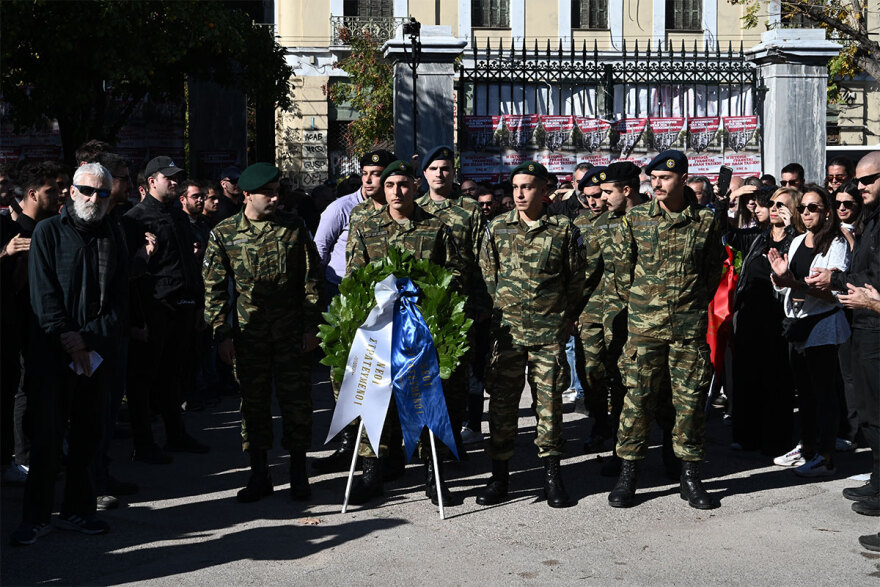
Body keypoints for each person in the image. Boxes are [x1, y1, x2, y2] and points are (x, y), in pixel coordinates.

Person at [10, 163, 127, 546]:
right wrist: (69, 338)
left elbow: (119, 299)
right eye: (87, 191)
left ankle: (79, 511)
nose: (95, 199)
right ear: (72, 192)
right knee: (46, 440)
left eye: (103, 192)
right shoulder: (47, 232)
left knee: (88, 437)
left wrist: (89, 339)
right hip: (51, 353)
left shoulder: (112, 234)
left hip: (94, 355)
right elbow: (43, 295)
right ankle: (36, 518)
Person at [609, 150, 725, 510]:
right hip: (645, 329)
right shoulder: (636, 219)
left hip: (688, 329)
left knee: (689, 404)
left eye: (665, 178)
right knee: (638, 401)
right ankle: (629, 475)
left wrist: (689, 303)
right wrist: (647, 304)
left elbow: (712, 270)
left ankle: (690, 477)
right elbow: (622, 272)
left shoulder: (705, 221)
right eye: (654, 178)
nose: (657, 184)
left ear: (683, 179)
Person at [203, 162, 323, 503]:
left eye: (276, 192)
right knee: (253, 405)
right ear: (247, 195)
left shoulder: (294, 228)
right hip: (248, 333)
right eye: (267, 193)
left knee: (296, 402)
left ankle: (298, 473)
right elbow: (213, 289)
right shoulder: (224, 233)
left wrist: (311, 327)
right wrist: (222, 333)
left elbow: (312, 281)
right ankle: (259, 474)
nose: (274, 199)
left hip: (290, 332)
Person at [346, 160, 462, 507]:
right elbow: (353, 277)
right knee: (374, 399)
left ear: (415, 186)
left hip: (420, 328)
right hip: (380, 328)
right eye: (390, 185)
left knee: (425, 398)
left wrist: (427, 296)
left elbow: (454, 273)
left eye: (403, 184)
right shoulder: (366, 226)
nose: (397, 191)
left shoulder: (435, 227)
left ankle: (433, 476)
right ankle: (372, 474)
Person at [477, 161, 586, 509]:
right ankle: (499, 477)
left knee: (550, 407)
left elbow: (576, 279)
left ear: (544, 190)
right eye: (515, 187)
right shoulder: (498, 228)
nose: (519, 194)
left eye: (527, 187)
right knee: (502, 406)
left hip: (548, 334)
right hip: (507, 335)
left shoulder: (563, 230)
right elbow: (488, 277)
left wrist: (564, 317)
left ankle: (552, 477)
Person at [311, 149, 396, 474]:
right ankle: (349, 445)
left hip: (385, 299)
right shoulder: (342, 208)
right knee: (347, 374)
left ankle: (385, 449)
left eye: (378, 174)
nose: (370, 180)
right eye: (366, 174)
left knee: (382, 377)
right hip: (343, 296)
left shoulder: (397, 208)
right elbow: (319, 250)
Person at [806, 152, 880, 517]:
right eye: (859, 180)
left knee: (876, 412)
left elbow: (874, 280)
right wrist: (837, 279)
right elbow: (864, 275)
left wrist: (840, 281)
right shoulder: (872, 219)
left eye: (868, 180)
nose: (860, 186)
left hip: (875, 324)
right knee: (868, 411)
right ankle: (878, 481)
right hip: (862, 323)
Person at [122, 156, 208, 464]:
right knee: (143, 378)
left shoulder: (178, 216)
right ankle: (144, 443)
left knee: (173, 374)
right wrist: (136, 319)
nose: (174, 182)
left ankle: (176, 434)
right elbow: (130, 274)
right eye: (168, 177)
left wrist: (197, 302)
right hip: (154, 307)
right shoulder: (135, 218)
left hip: (182, 305)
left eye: (177, 177)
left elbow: (186, 263)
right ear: (151, 182)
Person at [769, 184, 850, 479]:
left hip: (823, 323)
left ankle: (825, 456)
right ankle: (806, 447)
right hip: (796, 322)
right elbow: (788, 284)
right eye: (802, 207)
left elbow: (833, 293)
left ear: (827, 212)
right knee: (804, 393)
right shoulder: (796, 241)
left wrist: (792, 283)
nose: (806, 213)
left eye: (813, 207)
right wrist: (781, 279)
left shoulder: (836, 244)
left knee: (823, 393)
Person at [416, 146, 487, 459]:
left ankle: (452, 439)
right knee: (422, 377)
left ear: (453, 173)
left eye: (445, 168)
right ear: (424, 174)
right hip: (420, 309)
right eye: (433, 169)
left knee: (457, 378)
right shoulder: (415, 207)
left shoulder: (468, 209)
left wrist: (481, 305)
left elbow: (482, 258)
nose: (439, 174)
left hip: (459, 307)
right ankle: (425, 442)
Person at [1, 163, 60, 486]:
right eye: (52, 190)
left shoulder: (48, 227)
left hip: (40, 322)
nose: (60, 194)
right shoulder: (13, 230)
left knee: (35, 387)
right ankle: (21, 456)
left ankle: (34, 450)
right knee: (21, 390)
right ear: (34, 194)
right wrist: (7, 253)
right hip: (16, 323)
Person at [730, 188, 799, 455]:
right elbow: (727, 232)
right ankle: (746, 435)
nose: (774, 208)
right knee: (747, 375)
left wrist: (793, 228)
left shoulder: (796, 240)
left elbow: (801, 264)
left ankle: (776, 439)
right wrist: (729, 198)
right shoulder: (759, 237)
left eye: (781, 205)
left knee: (776, 378)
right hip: (750, 314)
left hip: (778, 316)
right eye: (771, 203)